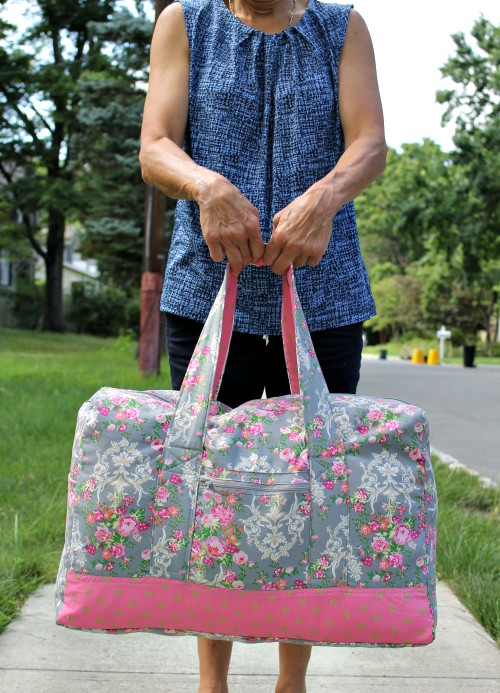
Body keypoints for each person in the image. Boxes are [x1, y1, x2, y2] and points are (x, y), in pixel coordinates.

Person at [139, 0, 386, 690]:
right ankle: (212, 680)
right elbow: (155, 142)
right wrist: (206, 184)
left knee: (310, 484)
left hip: (323, 297)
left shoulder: (342, 27)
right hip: (206, 293)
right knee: (210, 486)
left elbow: (369, 142)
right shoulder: (184, 23)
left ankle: (291, 679)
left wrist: (324, 198)